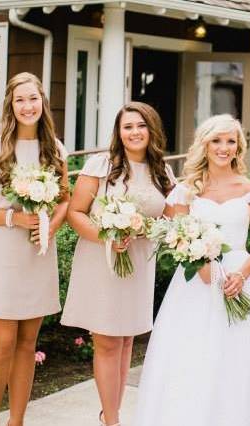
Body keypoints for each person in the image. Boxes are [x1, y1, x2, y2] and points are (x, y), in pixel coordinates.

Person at [134, 114, 250, 426]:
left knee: (242, 359)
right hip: (196, 282)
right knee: (194, 357)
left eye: (230, 141)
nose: (224, 147)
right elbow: (176, 235)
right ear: (204, 145)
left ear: (239, 147)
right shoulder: (186, 190)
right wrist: (199, 264)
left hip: (242, 277)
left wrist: (241, 275)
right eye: (216, 141)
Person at [0, 72, 69, 426]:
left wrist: (51, 225)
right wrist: (13, 219)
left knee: (27, 344)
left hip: (38, 255)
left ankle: (17, 422)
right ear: (10, 104)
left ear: (43, 103)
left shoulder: (55, 148)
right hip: (3, 254)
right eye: (20, 100)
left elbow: (65, 199)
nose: (28, 106)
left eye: (33, 99)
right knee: (2, 345)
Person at [60, 102, 175, 426]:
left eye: (141, 125)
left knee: (126, 341)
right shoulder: (101, 165)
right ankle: (111, 420)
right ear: (119, 132)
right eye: (128, 126)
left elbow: (171, 218)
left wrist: (145, 229)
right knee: (109, 341)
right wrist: (106, 234)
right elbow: (75, 212)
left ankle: (112, 412)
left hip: (138, 262)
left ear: (151, 130)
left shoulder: (162, 171)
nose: (135, 132)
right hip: (103, 261)